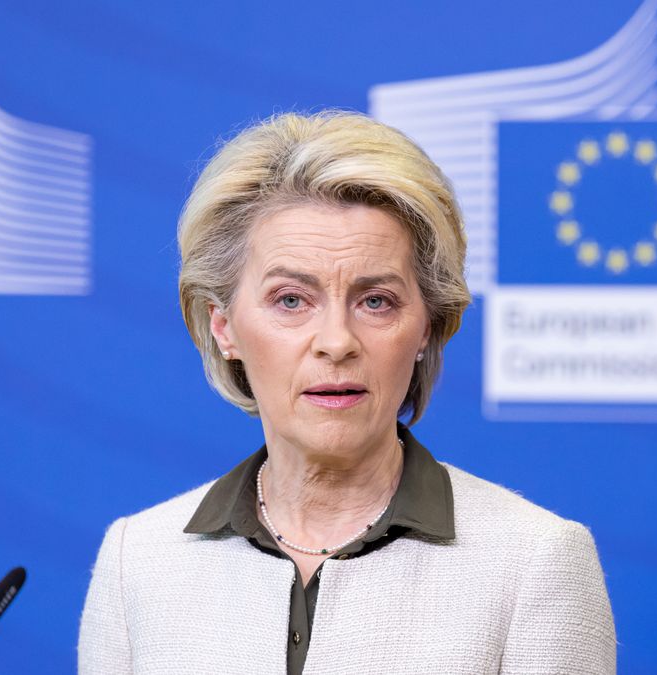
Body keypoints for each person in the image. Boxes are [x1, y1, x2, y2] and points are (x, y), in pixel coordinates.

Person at [78, 111, 616, 674]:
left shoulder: (536, 560)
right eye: (291, 300)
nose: (336, 342)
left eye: (376, 301)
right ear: (224, 326)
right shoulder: (136, 559)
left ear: (427, 325)